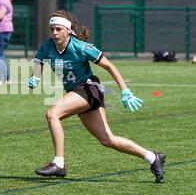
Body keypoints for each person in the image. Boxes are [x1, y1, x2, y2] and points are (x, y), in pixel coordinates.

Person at [28, 10, 166, 183]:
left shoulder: (81, 47)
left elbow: (110, 66)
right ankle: (153, 158)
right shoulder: (48, 46)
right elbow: (39, 61)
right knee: (108, 140)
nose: (55, 33)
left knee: (52, 114)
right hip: (78, 92)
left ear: (68, 30)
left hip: (88, 88)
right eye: (52, 29)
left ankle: (59, 163)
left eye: (58, 29)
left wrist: (125, 91)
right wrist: (35, 76)